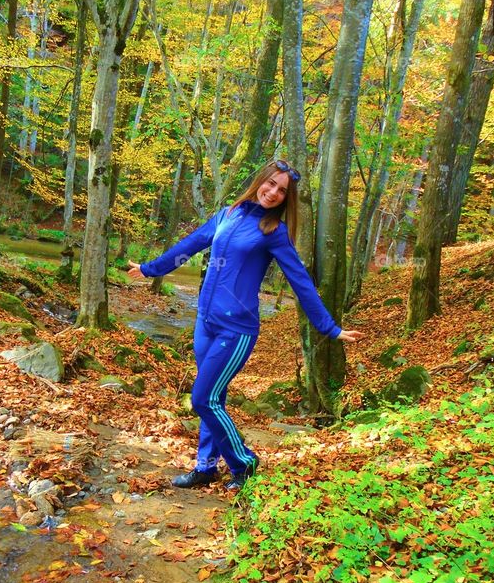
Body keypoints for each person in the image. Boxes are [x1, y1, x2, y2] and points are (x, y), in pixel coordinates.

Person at [127, 160, 365, 491]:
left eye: (282, 190)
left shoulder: (274, 232)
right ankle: (206, 466)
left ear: (286, 199)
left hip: (236, 330)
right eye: (271, 184)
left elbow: (301, 282)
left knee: (202, 398)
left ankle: (243, 462)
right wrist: (151, 269)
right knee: (213, 398)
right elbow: (190, 245)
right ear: (260, 181)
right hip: (205, 323)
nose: (273, 192)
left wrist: (329, 327)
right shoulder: (228, 214)